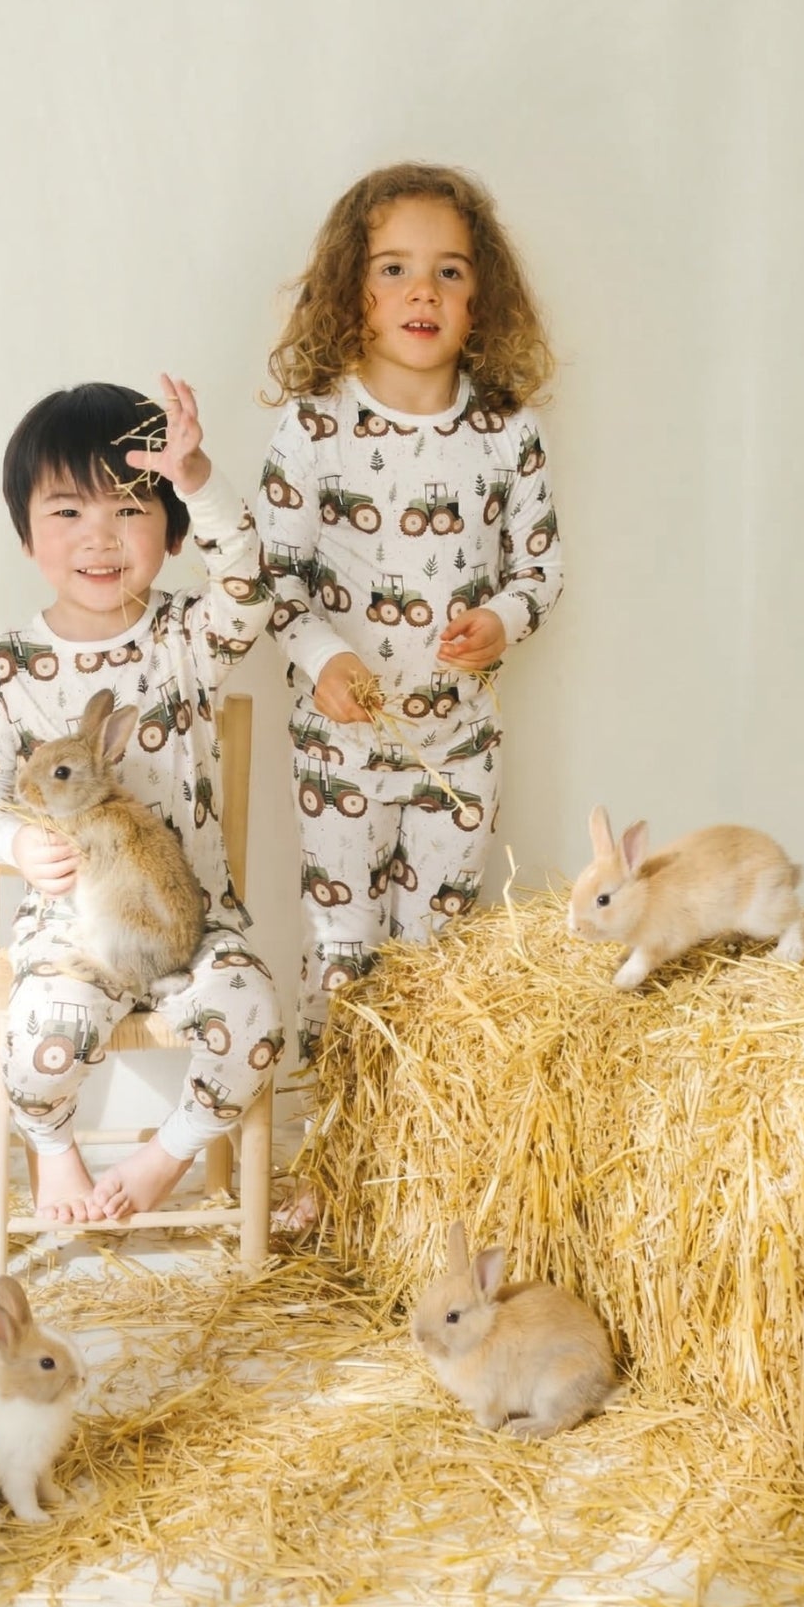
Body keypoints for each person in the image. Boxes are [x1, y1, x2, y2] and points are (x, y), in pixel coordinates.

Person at [258, 161, 562, 1106]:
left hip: (457, 747)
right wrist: (325, 658)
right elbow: (274, 577)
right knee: (344, 945)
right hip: (341, 746)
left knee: (438, 951)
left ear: (481, 302)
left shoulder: (507, 432)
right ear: (351, 292)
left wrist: (500, 621)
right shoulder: (315, 429)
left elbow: (540, 571)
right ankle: (342, 1133)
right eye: (393, 269)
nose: (422, 291)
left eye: (449, 272)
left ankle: (422, 1137)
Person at [0, 375, 281, 1224]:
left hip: (191, 924)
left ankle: (168, 1154)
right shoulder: (9, 667)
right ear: (27, 533)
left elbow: (250, 586)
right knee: (34, 1035)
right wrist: (18, 845)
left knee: (255, 1015)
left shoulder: (188, 638)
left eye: (131, 508)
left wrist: (198, 476)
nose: (100, 537)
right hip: (71, 934)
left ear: (172, 528)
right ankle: (54, 1151)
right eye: (67, 511)